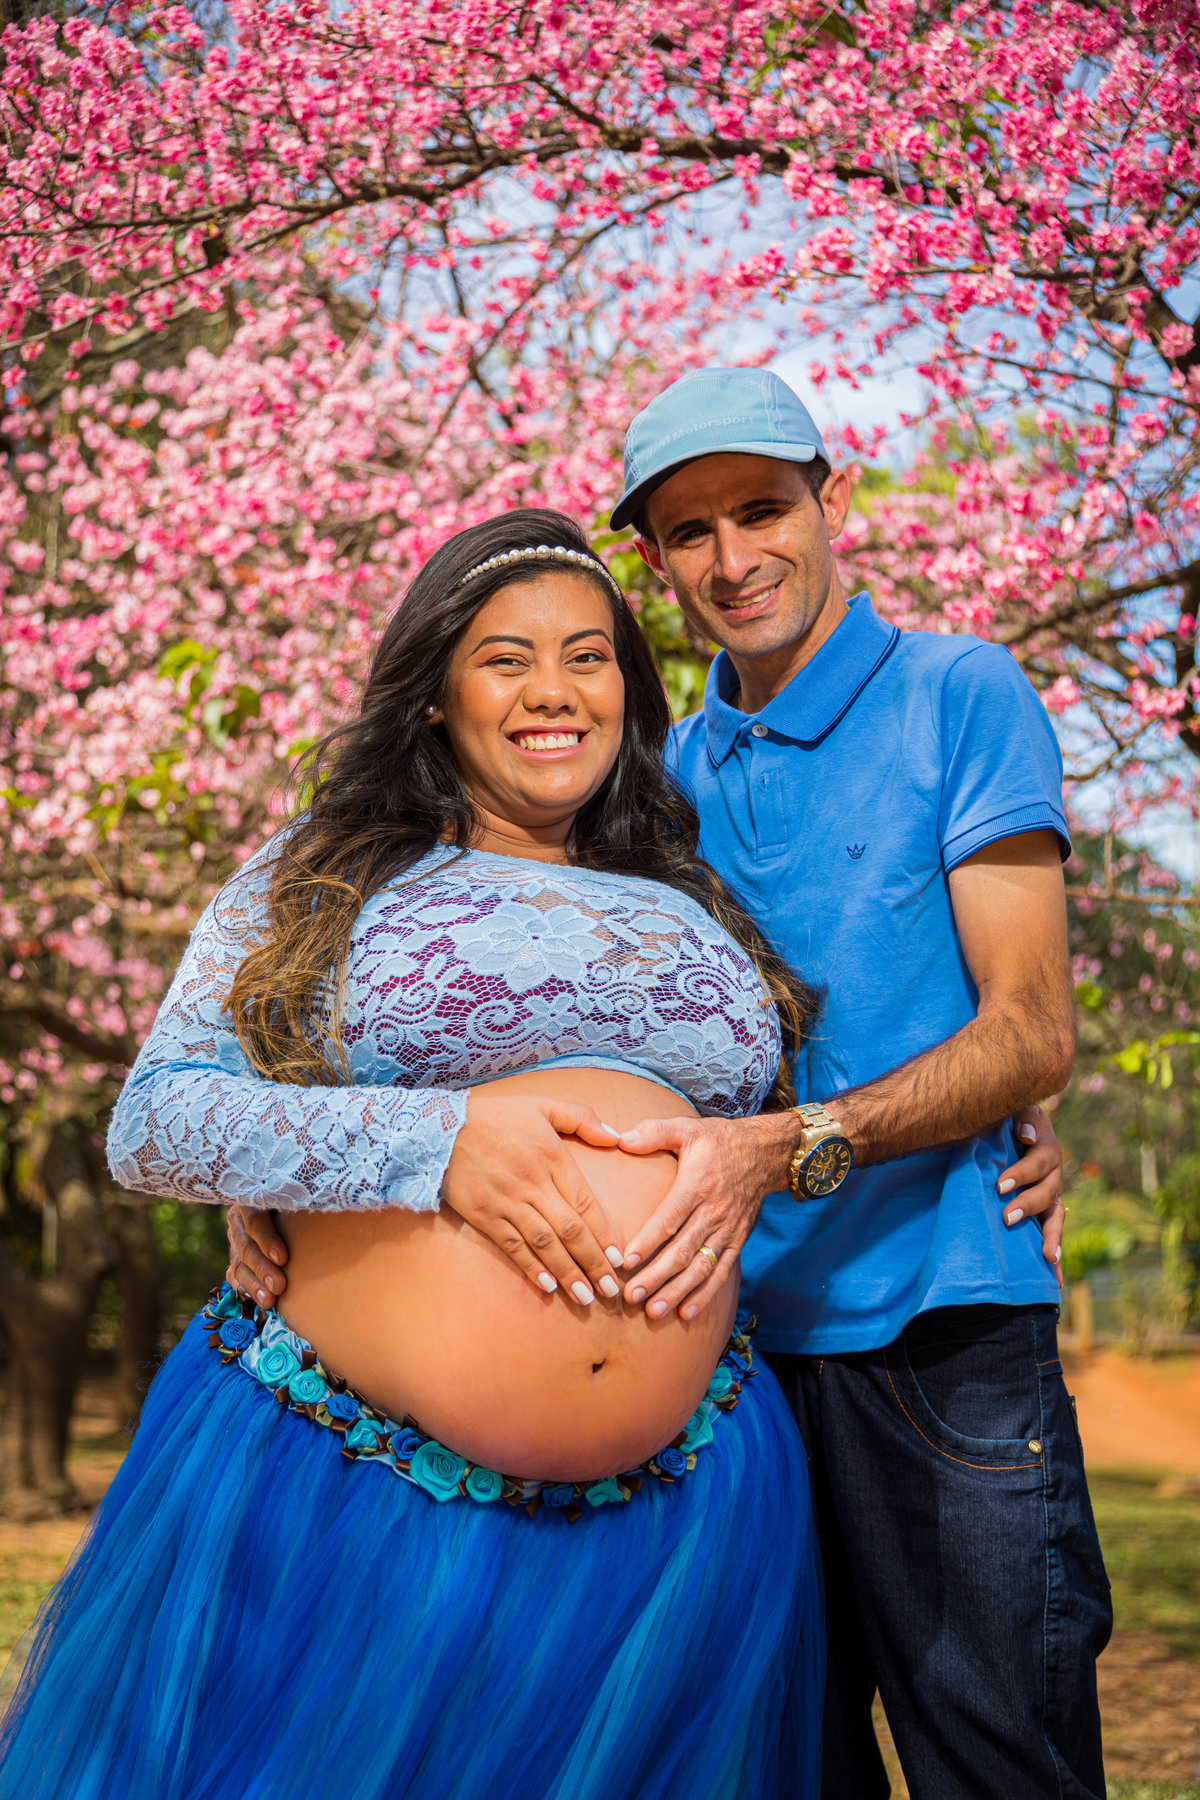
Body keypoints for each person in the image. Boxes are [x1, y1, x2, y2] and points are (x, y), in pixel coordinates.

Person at [230, 369, 1109, 1800]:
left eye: (762, 509)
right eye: (687, 533)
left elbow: (1030, 1032)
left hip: (930, 1330)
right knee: (785, 1766)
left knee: (994, 1753)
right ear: (654, 560)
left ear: (835, 500)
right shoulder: (656, 787)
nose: (731, 558)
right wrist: (282, 1175)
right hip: (725, 1367)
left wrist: (803, 1143)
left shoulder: (961, 693)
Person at [0, 510, 824, 1800]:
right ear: (436, 693)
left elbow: (808, 1107)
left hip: (690, 1505)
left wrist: (1016, 1111)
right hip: (348, 1492)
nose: (554, 692)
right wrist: (437, 1141)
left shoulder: (696, 891)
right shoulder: (324, 869)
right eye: (506, 658)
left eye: (589, 657)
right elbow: (157, 1119)